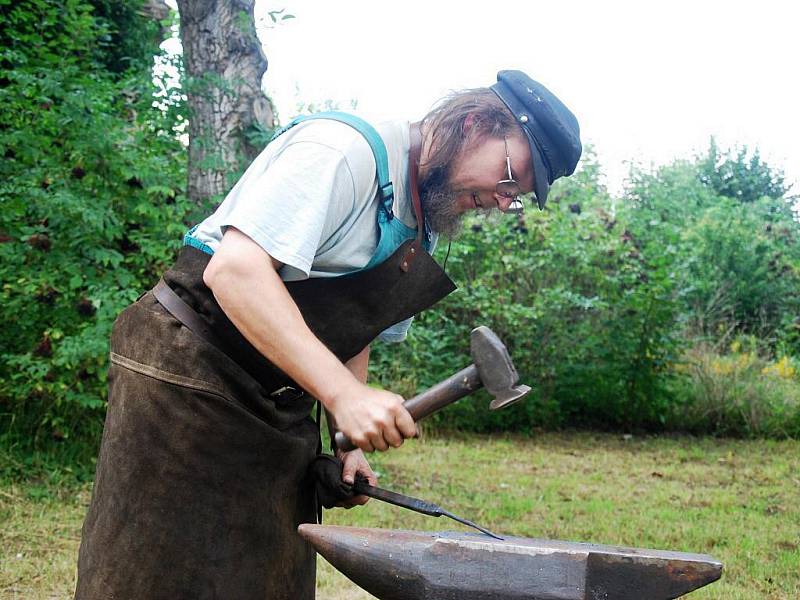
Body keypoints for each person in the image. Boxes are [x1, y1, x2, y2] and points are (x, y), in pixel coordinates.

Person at [74, 70, 581, 599]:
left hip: (277, 409)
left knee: (268, 583)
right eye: (509, 176)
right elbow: (235, 272)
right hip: (187, 377)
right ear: (475, 122)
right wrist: (343, 395)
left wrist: (345, 439)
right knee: (159, 578)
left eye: (516, 196)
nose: (503, 201)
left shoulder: (420, 220)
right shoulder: (342, 152)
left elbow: (353, 325)